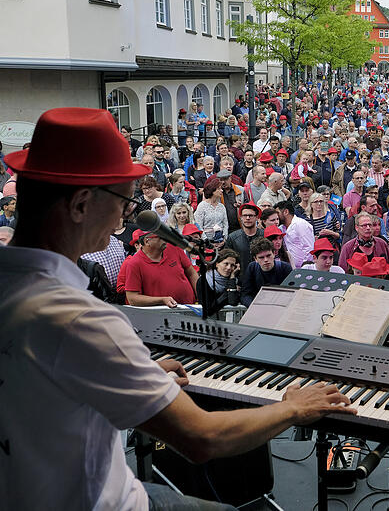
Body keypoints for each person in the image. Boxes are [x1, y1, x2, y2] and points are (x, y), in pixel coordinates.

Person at [0, 107, 354, 509]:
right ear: (81, 204)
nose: (127, 215)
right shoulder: (83, 321)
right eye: (123, 199)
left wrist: (135, 372)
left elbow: (52, 376)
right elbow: (203, 438)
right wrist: (291, 408)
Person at [241, 237, 293, 306]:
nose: (266, 260)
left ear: (274, 254)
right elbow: (245, 295)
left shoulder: (285, 268)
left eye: (268, 256)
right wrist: (254, 307)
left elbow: (292, 293)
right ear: (255, 259)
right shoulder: (252, 268)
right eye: (261, 257)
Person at [275, 200, 317, 268]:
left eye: (278, 213)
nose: (276, 216)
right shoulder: (281, 228)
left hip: (303, 269)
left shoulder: (301, 224)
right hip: (290, 268)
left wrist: (305, 267)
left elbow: (309, 248)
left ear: (286, 212)